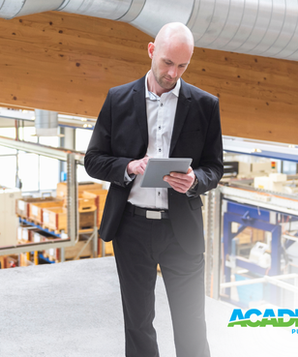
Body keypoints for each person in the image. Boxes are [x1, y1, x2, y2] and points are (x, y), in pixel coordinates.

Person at [84, 22, 223, 357]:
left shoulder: (205, 105)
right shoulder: (118, 99)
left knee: (191, 325)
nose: (172, 73)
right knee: (138, 322)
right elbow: (93, 160)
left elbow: (214, 167)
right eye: (167, 62)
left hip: (182, 231)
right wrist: (129, 167)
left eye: (182, 66)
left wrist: (195, 181)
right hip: (131, 227)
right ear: (151, 51)